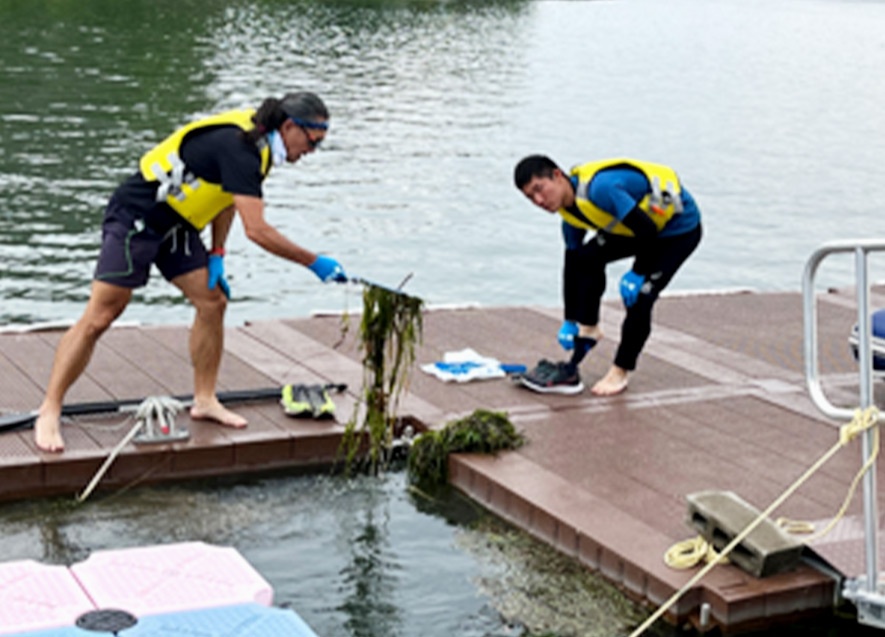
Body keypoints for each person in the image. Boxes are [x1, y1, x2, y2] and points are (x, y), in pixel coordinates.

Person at [34, 91, 347, 452]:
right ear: (290, 126)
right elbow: (258, 230)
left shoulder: (260, 145)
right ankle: (50, 409)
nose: (312, 152)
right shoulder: (243, 148)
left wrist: (217, 252)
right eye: (313, 142)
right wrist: (314, 262)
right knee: (103, 314)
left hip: (178, 223)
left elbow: (227, 196)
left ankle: (205, 400)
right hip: (138, 213)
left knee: (213, 301)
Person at [513, 155, 702, 396]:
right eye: (530, 197)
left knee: (641, 297)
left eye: (540, 189)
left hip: (677, 231)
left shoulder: (602, 190)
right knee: (586, 257)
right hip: (637, 228)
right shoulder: (569, 215)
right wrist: (572, 319)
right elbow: (572, 263)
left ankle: (621, 371)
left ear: (557, 175)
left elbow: (647, 230)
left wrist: (638, 273)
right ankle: (590, 328)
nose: (539, 200)